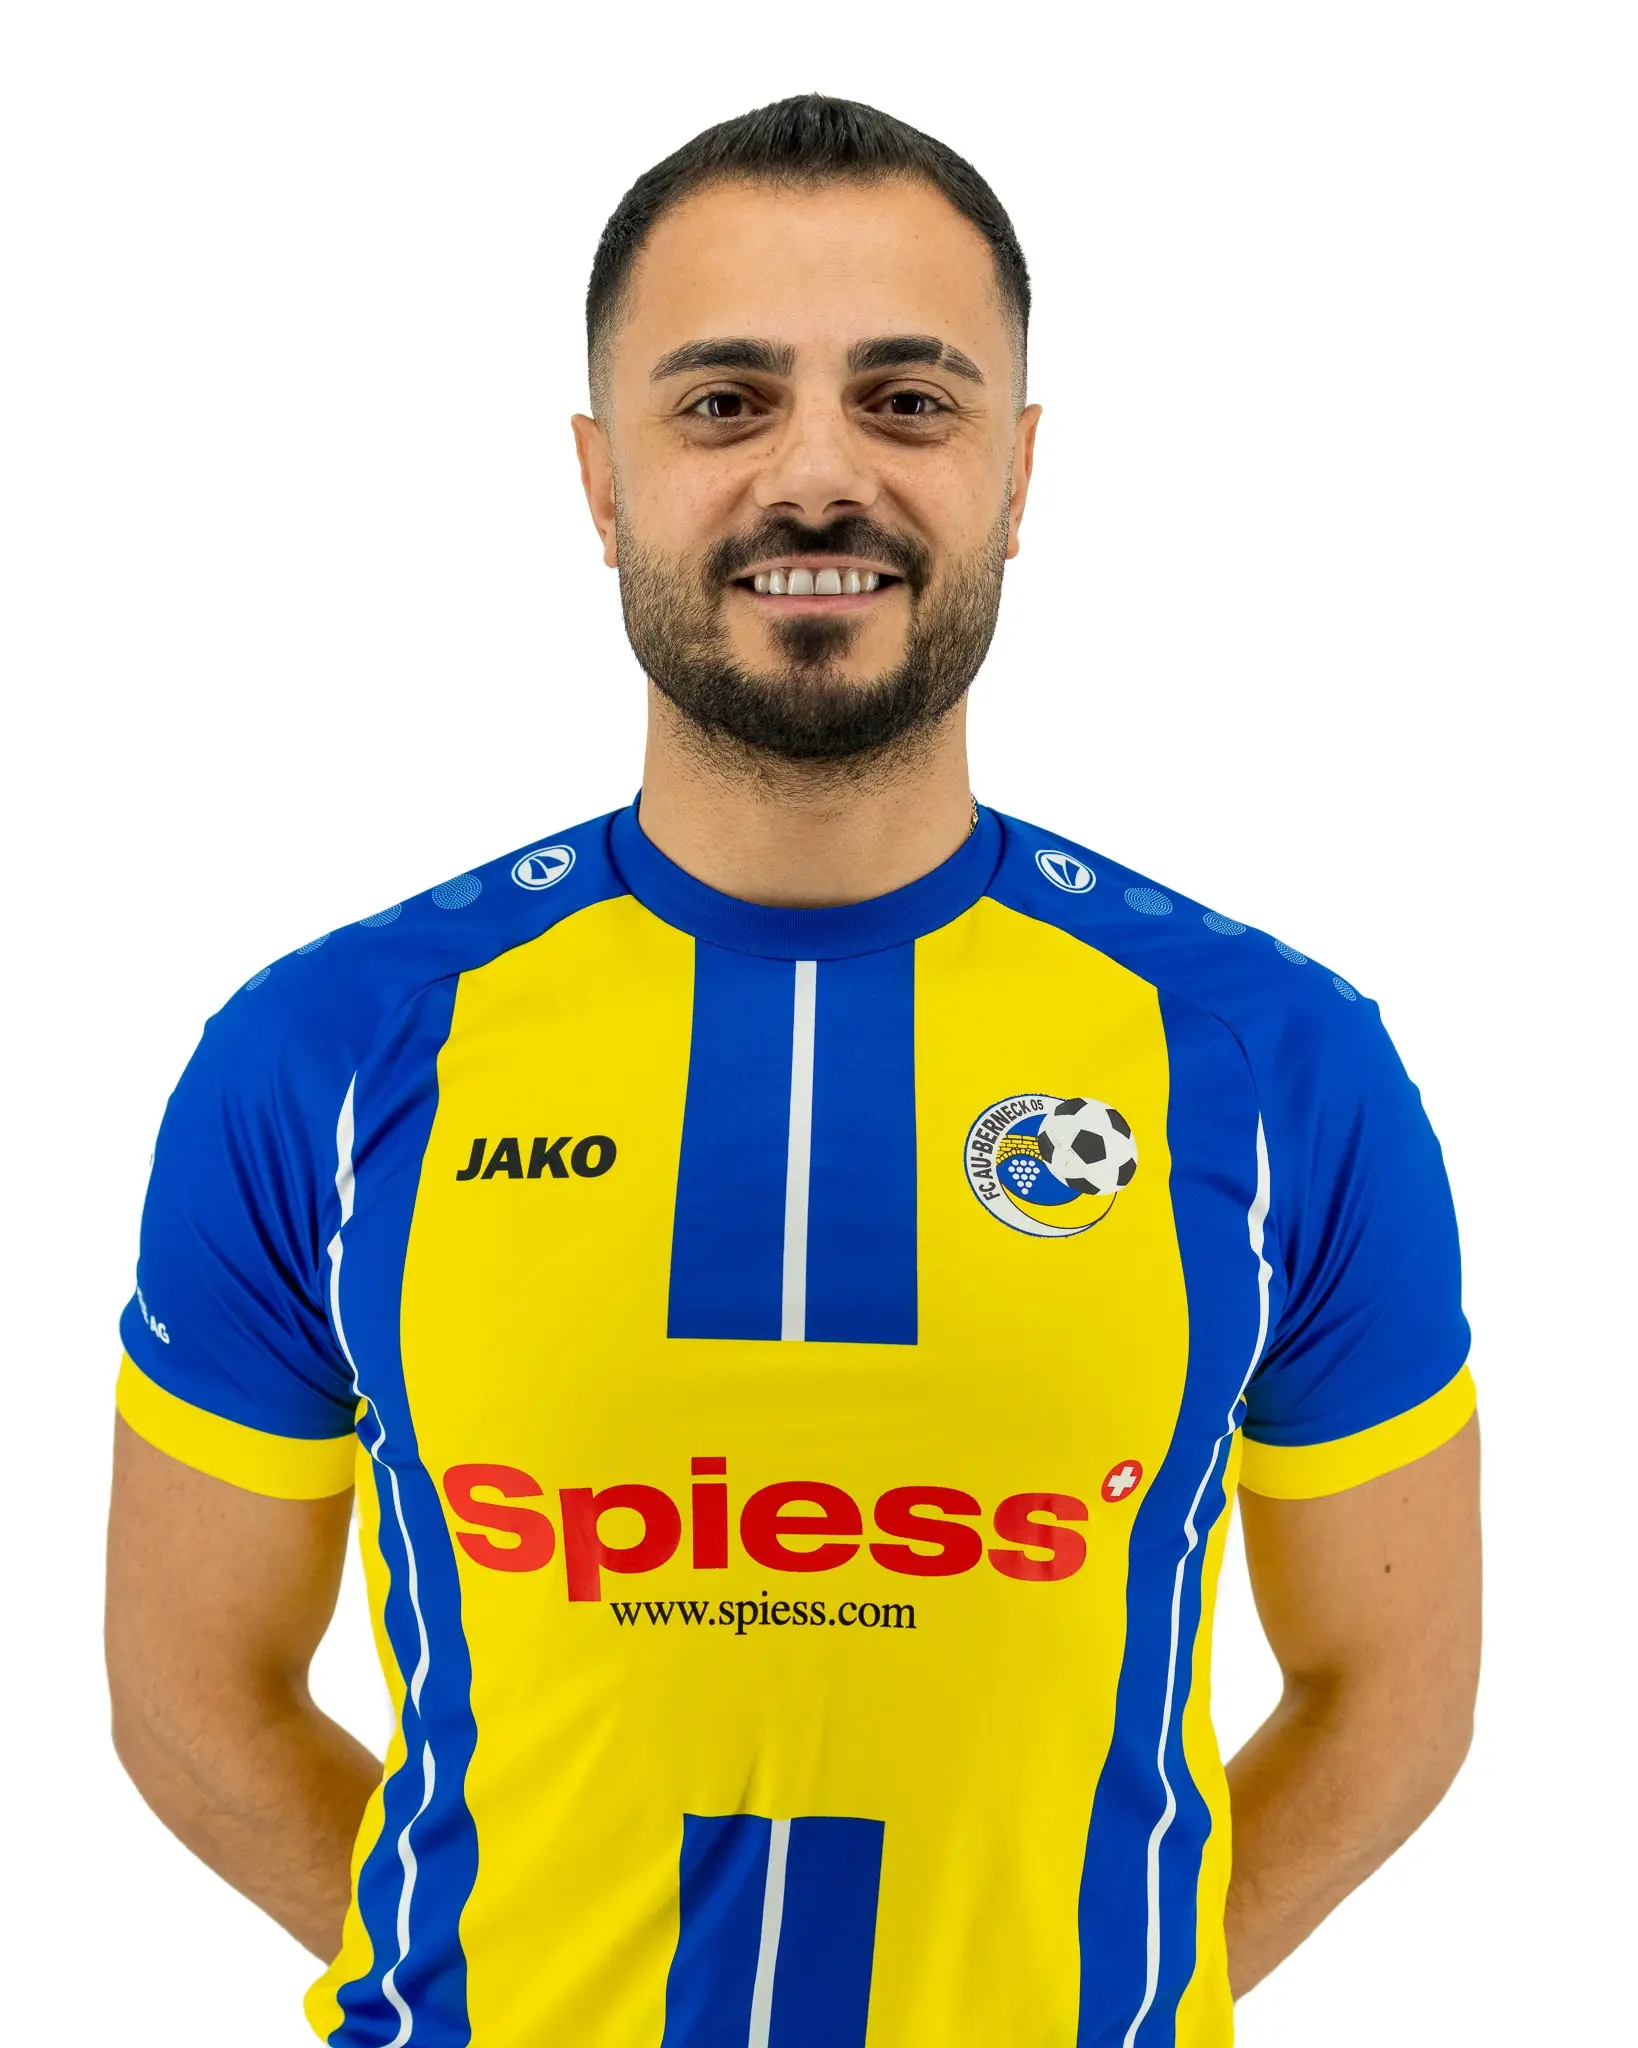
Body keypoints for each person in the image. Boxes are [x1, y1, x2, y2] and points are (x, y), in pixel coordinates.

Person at [105, 94, 1480, 2048]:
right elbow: (189, 1692)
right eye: (724, 402)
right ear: (601, 481)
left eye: (908, 402)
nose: (818, 475)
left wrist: (1086, 1999)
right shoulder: (320, 1060)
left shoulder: (1276, 1066)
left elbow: (1392, 1694)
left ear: (1018, 471)